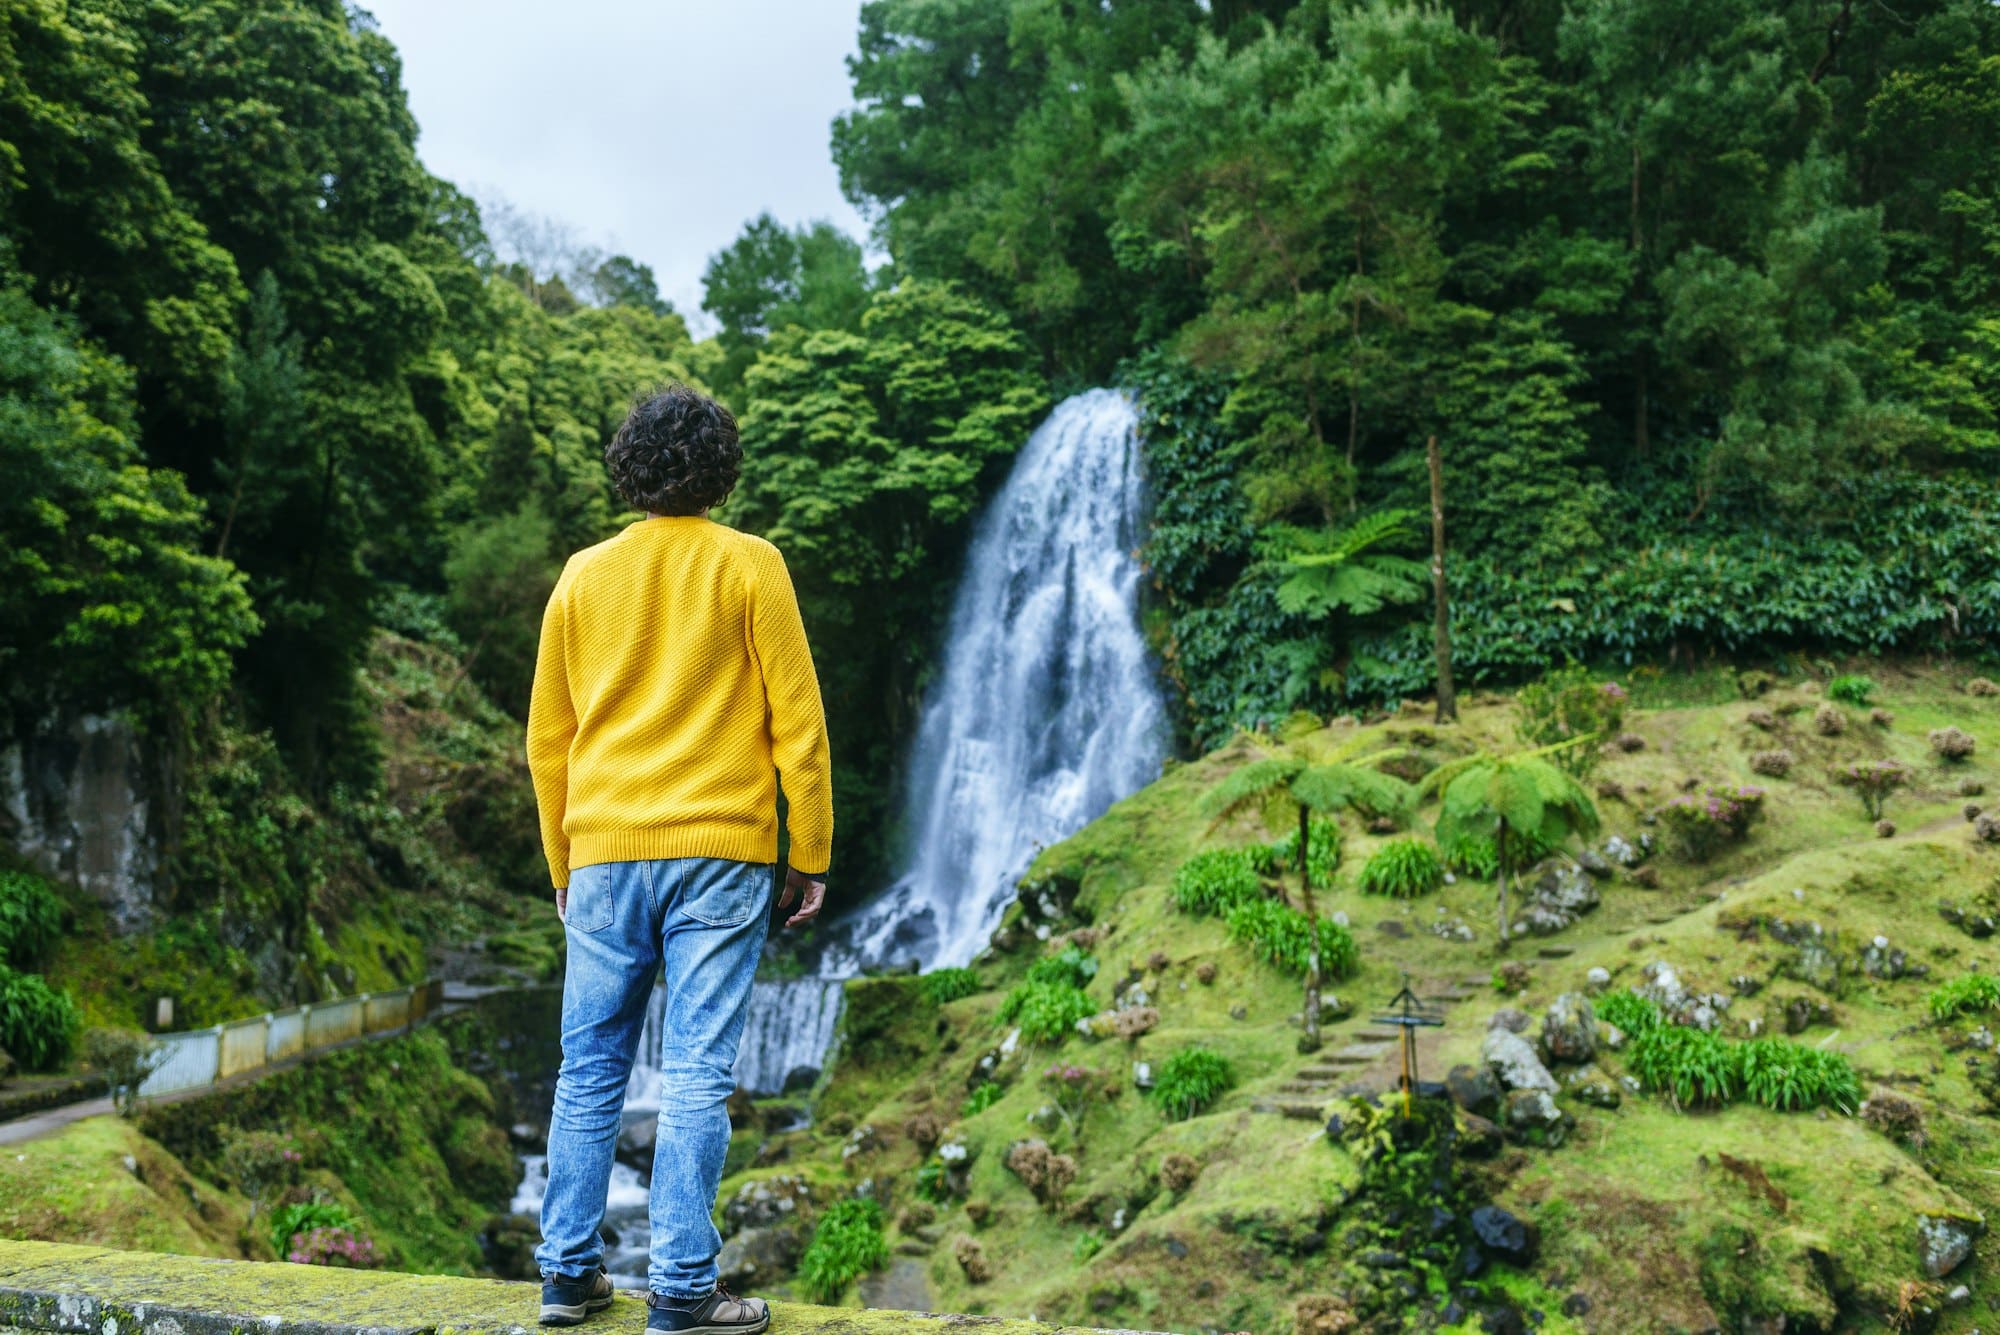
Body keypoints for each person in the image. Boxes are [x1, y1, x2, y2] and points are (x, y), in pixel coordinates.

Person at [526, 384, 832, 1335]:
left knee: (588, 1068)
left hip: (606, 849)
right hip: (723, 851)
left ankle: (567, 1276)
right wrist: (809, 850)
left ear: (629, 466)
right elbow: (801, 725)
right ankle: (685, 1290)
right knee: (697, 1070)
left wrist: (562, 861)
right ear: (721, 468)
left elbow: (548, 737)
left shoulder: (582, 575)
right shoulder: (753, 565)